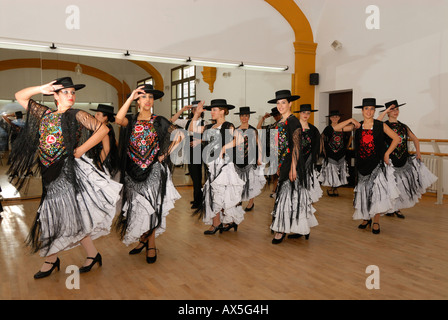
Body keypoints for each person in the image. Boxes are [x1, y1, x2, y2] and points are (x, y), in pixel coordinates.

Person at [9, 77, 122, 278]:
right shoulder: (43, 114)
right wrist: (41, 88)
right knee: (69, 216)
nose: (70, 96)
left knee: (54, 216)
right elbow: (19, 96)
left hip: (66, 172)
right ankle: (93, 255)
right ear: (55, 95)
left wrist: (80, 150)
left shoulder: (75, 114)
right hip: (47, 171)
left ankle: (51, 260)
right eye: (65, 92)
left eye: (72, 92)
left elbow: (102, 130)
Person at [114, 84, 184, 264]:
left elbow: (180, 135)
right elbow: (118, 119)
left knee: (152, 208)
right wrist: (130, 97)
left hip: (152, 171)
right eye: (143, 97)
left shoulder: (159, 120)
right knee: (138, 209)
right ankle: (143, 239)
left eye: (150, 97)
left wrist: (164, 155)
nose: (148, 100)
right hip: (132, 171)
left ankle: (151, 243)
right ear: (137, 100)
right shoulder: (130, 120)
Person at [267, 90, 318, 244]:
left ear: (290, 104)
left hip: (293, 163)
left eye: (283, 102)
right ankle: (299, 228)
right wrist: (278, 164)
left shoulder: (293, 121)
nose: (280, 106)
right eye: (278, 103)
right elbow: (280, 146)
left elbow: (296, 147)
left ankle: (280, 230)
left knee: (285, 196)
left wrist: (293, 167)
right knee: (292, 197)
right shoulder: (280, 122)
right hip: (284, 163)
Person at [189, 99, 245, 234]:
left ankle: (226, 222)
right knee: (213, 193)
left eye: (214, 110)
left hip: (224, 165)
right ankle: (217, 223)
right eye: (211, 110)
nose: (211, 112)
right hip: (212, 165)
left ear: (222, 111)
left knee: (224, 194)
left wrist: (224, 148)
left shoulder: (228, 125)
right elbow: (192, 129)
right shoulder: (210, 127)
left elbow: (240, 139)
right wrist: (197, 113)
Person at [377, 100, 437, 218]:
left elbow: (415, 139)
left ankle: (397, 208)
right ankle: (390, 208)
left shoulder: (403, 126)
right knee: (390, 186)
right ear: (388, 112)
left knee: (400, 185)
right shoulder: (384, 125)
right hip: (390, 160)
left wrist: (418, 153)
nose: (395, 112)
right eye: (392, 110)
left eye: (397, 109)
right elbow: (375, 124)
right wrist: (385, 112)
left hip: (403, 159)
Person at [352, 98, 401, 234]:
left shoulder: (380, 125)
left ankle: (376, 221)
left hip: (377, 165)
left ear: (374, 111)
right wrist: (350, 120)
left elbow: (397, 139)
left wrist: (387, 154)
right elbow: (335, 128)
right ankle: (366, 218)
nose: (369, 111)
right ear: (362, 111)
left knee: (377, 194)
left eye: (372, 109)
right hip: (362, 165)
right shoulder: (358, 126)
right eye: (366, 108)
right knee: (364, 192)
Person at [170, 100, 205, 209]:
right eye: (194, 109)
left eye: (197, 109)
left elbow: (210, 136)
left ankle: (199, 201)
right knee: (195, 177)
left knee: (198, 176)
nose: (195, 111)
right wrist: (182, 109)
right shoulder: (187, 122)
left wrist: (201, 141)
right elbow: (172, 120)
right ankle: (197, 199)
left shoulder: (205, 122)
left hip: (200, 151)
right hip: (189, 151)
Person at [234, 106, 266, 211]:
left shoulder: (253, 130)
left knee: (250, 182)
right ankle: (238, 200)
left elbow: (259, 144)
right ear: (239, 117)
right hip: (238, 159)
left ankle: (251, 202)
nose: (244, 118)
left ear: (249, 117)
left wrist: (259, 158)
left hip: (251, 159)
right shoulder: (236, 130)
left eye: (246, 116)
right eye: (242, 115)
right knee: (238, 182)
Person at [319, 110, 356, 196]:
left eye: (336, 117)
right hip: (330, 153)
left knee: (339, 171)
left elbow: (351, 134)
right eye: (333, 117)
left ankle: (335, 188)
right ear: (330, 118)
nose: (335, 118)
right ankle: (330, 188)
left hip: (341, 153)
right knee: (331, 171)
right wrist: (323, 151)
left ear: (339, 118)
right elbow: (322, 138)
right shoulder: (328, 128)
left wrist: (347, 146)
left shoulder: (343, 128)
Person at [293, 104, 323, 204]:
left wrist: (312, 159)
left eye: (308, 113)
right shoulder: (294, 128)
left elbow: (317, 146)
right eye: (303, 112)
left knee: (307, 187)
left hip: (308, 162)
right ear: (300, 114)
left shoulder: (313, 130)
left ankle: (306, 206)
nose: (306, 115)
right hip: (295, 161)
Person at [89, 104, 120, 178]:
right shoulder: (109, 127)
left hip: (104, 162)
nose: (95, 116)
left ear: (105, 117)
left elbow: (106, 149)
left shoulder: (103, 130)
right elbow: (116, 142)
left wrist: (98, 165)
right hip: (110, 161)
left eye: (98, 114)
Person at [257, 107, 282, 198]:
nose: (277, 117)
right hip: (273, 152)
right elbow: (259, 128)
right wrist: (263, 118)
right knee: (275, 173)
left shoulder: (285, 124)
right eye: (275, 115)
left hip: (283, 152)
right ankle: (274, 190)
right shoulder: (271, 126)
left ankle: (281, 191)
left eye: (278, 114)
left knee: (281, 173)